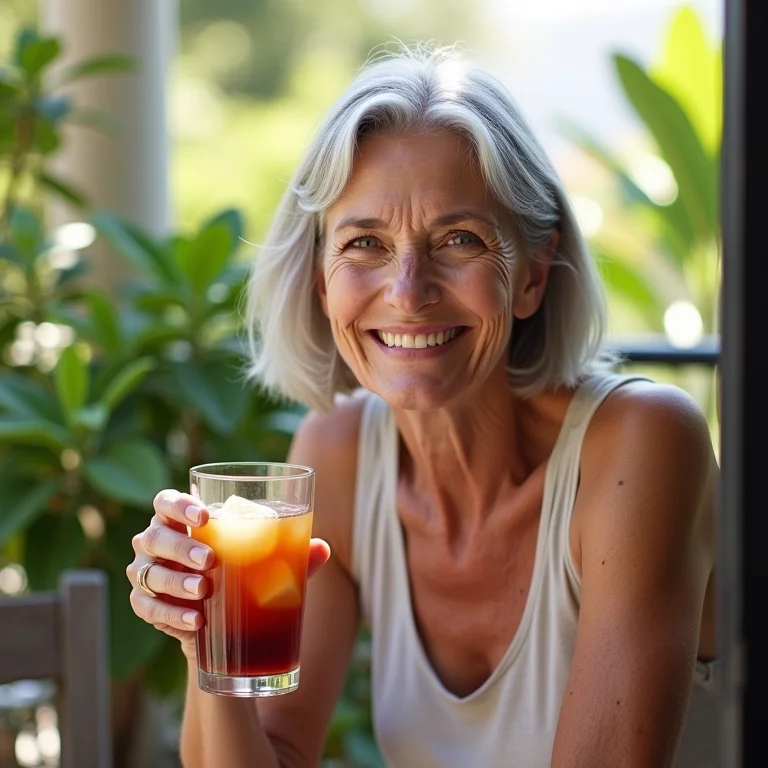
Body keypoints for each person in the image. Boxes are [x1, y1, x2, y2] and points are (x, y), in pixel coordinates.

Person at [126, 45, 720, 767]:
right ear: (320, 279)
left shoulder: (641, 443)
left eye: (459, 239)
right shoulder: (338, 454)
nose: (408, 291)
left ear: (533, 275)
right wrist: (208, 635)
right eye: (365, 243)